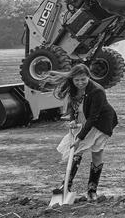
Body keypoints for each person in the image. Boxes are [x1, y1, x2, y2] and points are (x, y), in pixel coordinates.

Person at [49, 64, 118, 201]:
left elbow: (93, 117)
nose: (80, 83)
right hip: (84, 120)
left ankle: (92, 190)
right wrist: (73, 120)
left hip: (101, 123)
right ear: (72, 79)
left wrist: (80, 137)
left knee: (96, 152)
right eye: (77, 80)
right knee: (76, 151)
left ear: (88, 77)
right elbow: (73, 106)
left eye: (83, 79)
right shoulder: (73, 88)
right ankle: (65, 186)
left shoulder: (97, 91)